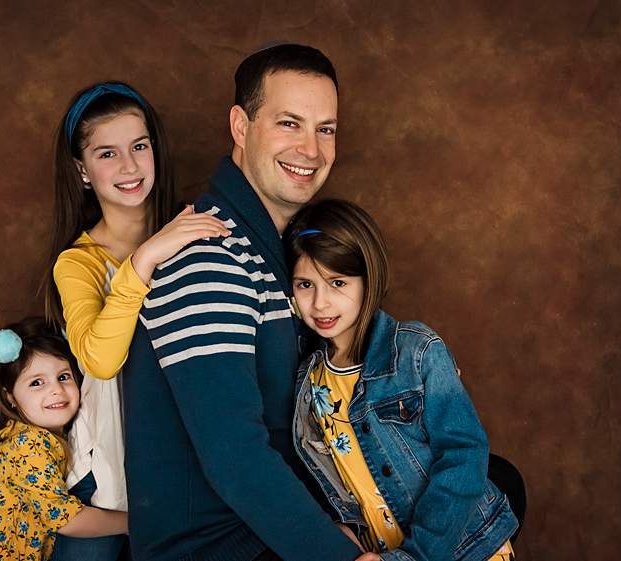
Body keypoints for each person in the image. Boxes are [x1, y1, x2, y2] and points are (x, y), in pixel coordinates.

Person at [123, 44, 378, 561]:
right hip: (217, 550)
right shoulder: (207, 258)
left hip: (268, 534)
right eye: (289, 123)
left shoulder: (279, 254)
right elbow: (235, 459)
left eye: (325, 128)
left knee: (488, 489)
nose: (311, 149)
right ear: (241, 127)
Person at [44, 82, 230, 559]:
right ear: (82, 170)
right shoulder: (78, 263)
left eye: (139, 146)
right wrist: (144, 259)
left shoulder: (191, 231)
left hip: (185, 475)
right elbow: (101, 361)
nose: (129, 166)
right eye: (108, 153)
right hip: (104, 479)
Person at [286, 199, 519, 561]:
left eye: (337, 282)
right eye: (305, 284)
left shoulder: (415, 351)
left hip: (467, 548)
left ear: (368, 279)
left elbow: (464, 455)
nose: (320, 303)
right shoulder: (310, 381)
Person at [0, 317, 128, 561]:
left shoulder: (36, 436)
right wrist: (131, 523)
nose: (56, 390)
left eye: (63, 377)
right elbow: (66, 520)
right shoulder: (28, 445)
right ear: (10, 398)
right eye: (36, 383)